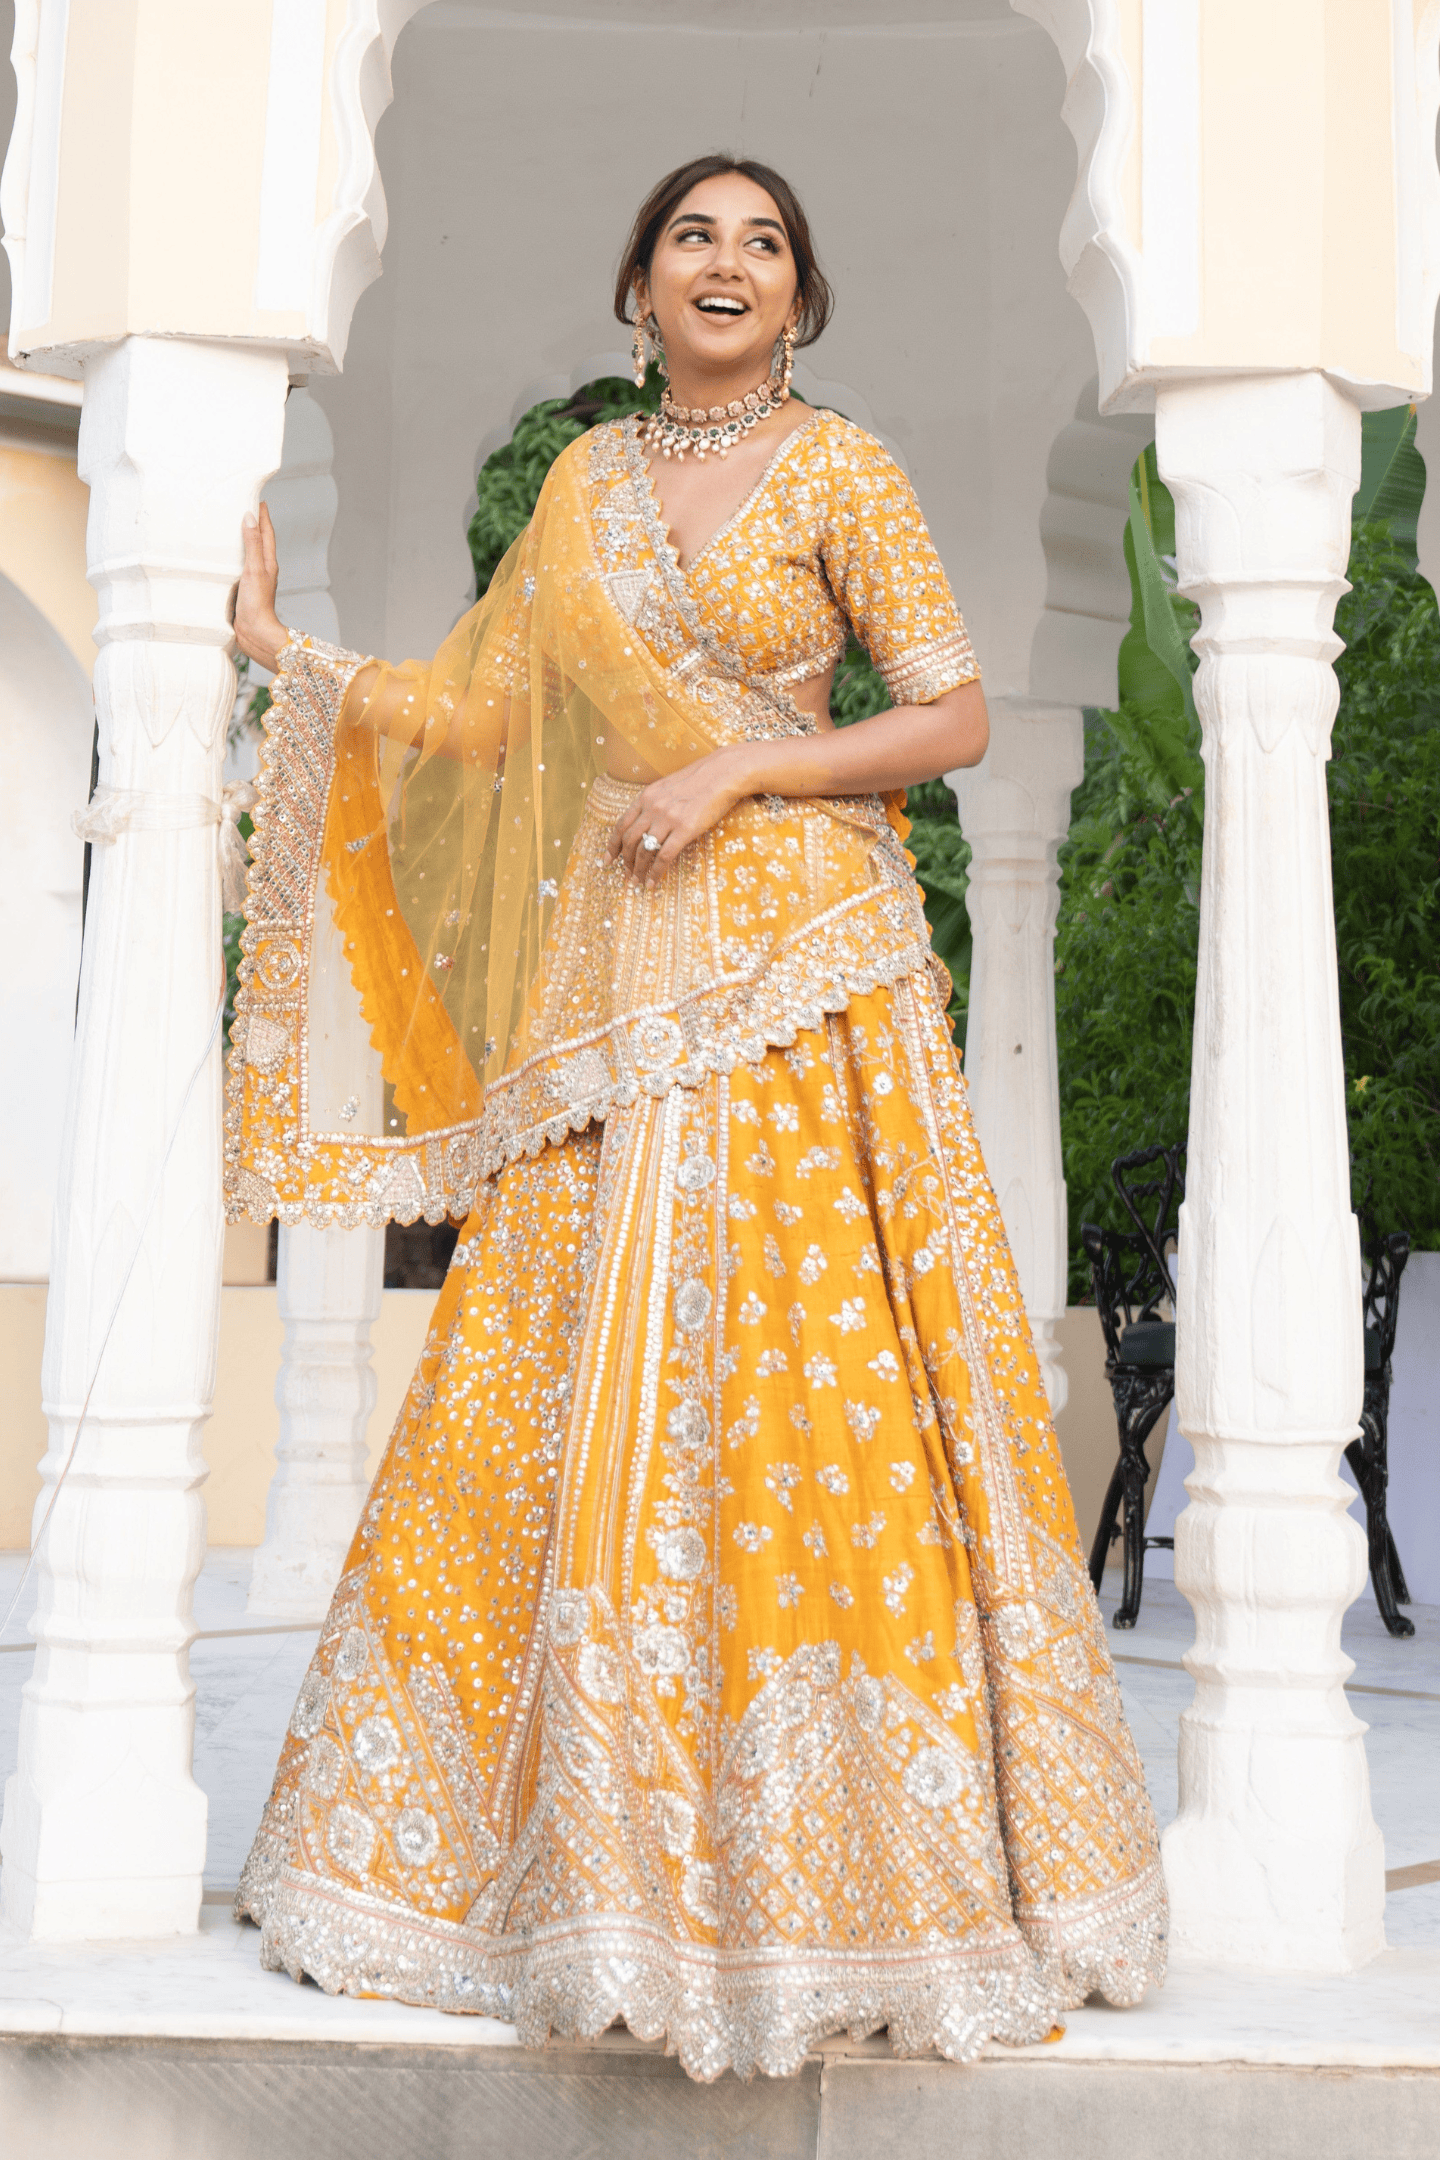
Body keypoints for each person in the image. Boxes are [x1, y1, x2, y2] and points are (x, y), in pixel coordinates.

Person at [229, 154, 1166, 2082]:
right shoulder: (580, 492)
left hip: (807, 997)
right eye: (692, 238)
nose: (725, 266)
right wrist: (291, 670)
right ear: (638, 285)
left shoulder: (844, 474)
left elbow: (958, 716)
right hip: (611, 999)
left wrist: (740, 769)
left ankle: (845, 1876)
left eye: (761, 244)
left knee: (806, 1401)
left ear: (800, 298)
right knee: (554, 1397)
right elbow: (493, 719)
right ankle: (546, 1872)